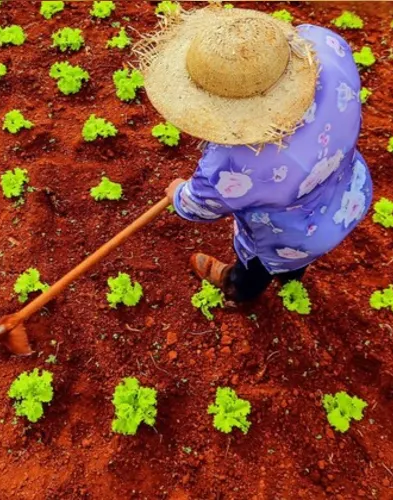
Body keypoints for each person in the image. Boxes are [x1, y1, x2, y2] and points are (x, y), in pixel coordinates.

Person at [141, 4, 372, 302]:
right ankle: (291, 275)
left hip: (284, 235)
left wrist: (178, 194)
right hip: (348, 194)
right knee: (295, 261)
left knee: (256, 266)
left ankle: (238, 289)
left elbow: (198, 206)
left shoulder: (232, 165)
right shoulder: (325, 47)